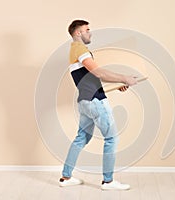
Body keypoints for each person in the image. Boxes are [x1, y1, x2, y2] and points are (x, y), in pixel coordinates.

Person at [59, 19, 137, 190]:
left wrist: (118, 85)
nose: (90, 32)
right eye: (87, 29)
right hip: (95, 101)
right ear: (78, 32)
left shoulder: (73, 51)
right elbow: (98, 72)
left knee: (81, 138)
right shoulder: (80, 49)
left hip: (85, 101)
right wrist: (125, 78)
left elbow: (90, 79)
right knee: (111, 139)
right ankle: (108, 181)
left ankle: (66, 177)